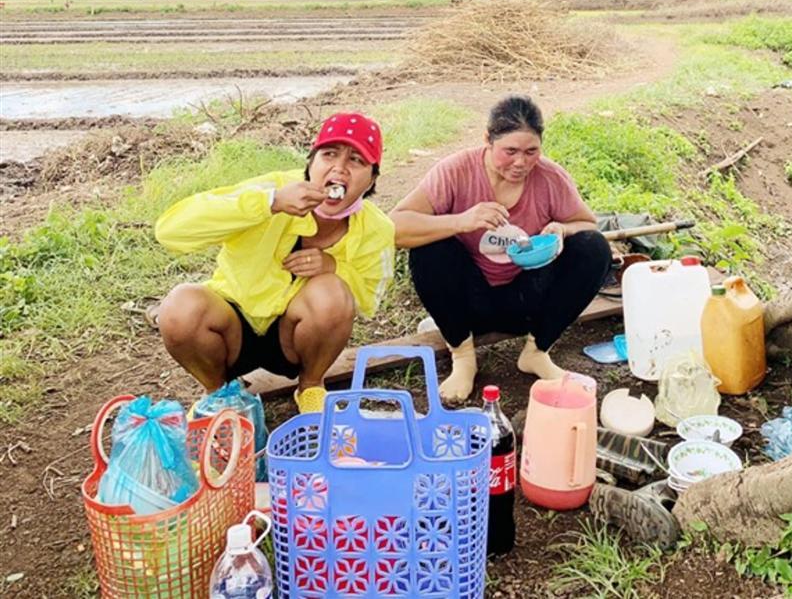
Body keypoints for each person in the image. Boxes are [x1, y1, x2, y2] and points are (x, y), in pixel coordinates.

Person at [154, 112, 395, 413]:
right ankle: (219, 395)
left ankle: (310, 387)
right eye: (329, 154)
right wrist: (270, 203)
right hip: (233, 325)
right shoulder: (271, 189)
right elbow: (170, 231)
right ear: (311, 162)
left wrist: (333, 267)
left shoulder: (377, 228)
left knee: (332, 292)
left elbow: (370, 299)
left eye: (356, 160)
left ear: (372, 178)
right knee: (180, 308)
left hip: (293, 339)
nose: (339, 168)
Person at [391, 95, 610, 401]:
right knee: (430, 249)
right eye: (510, 151)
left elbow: (588, 225)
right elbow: (395, 226)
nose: (521, 163)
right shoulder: (455, 171)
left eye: (531, 151)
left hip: (526, 300)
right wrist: (460, 221)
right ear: (487, 141)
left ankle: (536, 352)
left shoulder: (550, 178)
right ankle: (464, 358)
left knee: (594, 248)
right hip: (469, 303)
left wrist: (563, 229)